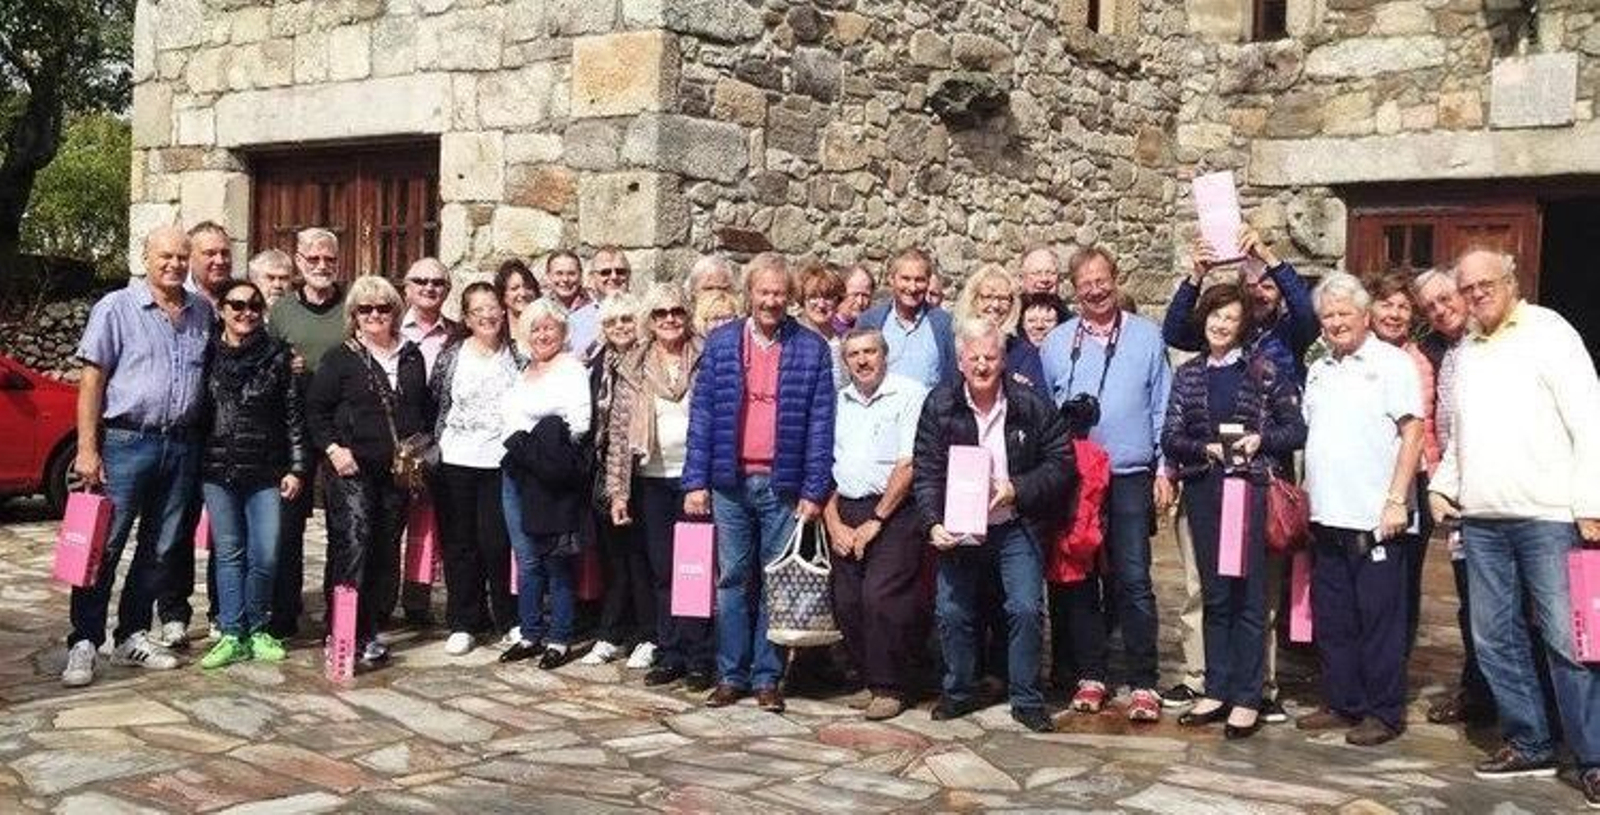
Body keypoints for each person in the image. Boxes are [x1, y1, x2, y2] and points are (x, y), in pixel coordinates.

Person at [1430, 249, 1600, 806]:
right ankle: (1530, 742)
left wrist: (1591, 501)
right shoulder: (1470, 350)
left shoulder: (1550, 333)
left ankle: (1594, 757)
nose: (1477, 294)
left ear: (1511, 281)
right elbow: (1462, 433)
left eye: (1486, 283)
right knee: (1494, 638)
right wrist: (1443, 485)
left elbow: (1590, 419)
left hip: (1547, 516)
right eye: (1467, 288)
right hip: (1483, 520)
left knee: (1567, 640)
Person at [682, 252, 835, 713]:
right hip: (730, 480)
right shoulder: (722, 343)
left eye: (779, 293)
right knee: (731, 581)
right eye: (763, 292)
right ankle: (731, 674)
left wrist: (814, 490)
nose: (771, 301)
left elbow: (821, 424)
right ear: (749, 293)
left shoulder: (811, 348)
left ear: (790, 297)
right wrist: (696, 481)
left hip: (782, 483)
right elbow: (703, 415)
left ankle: (767, 677)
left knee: (775, 582)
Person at [1161, 227, 1305, 717]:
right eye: (1215, 316)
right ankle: (1216, 688)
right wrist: (1204, 448)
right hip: (1205, 491)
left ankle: (1247, 695)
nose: (1221, 325)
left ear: (1243, 327)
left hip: (1251, 492)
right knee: (1216, 593)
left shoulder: (1264, 371)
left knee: (1248, 596)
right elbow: (1171, 436)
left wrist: (1261, 440)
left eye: (1231, 318)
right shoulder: (1189, 374)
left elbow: (1295, 429)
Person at [61, 226, 212, 687]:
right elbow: (92, 381)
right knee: (104, 546)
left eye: (182, 256)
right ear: (145, 257)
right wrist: (87, 449)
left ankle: (131, 635)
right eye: (165, 255)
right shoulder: (116, 308)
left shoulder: (201, 312)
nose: (174, 264)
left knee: (162, 547)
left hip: (181, 444)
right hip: (127, 442)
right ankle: (84, 640)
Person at [912, 317, 1074, 733]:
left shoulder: (1030, 404)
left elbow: (1061, 463)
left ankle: (1027, 698)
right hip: (959, 528)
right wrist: (931, 522)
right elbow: (926, 470)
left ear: (1003, 360)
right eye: (974, 359)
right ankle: (959, 692)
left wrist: (1017, 488)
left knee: (1025, 608)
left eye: (990, 357)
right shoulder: (939, 404)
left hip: (1014, 524)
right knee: (952, 611)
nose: (982, 365)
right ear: (960, 362)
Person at [1038, 245, 1175, 722]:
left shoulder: (1147, 336)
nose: (1095, 291)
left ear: (1116, 278)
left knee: (1133, 578)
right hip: (1078, 478)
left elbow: (1162, 406)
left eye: (1102, 281)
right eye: (1085, 285)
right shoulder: (1057, 343)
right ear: (1074, 291)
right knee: (1079, 580)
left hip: (1131, 474)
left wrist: (1165, 469)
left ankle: (1143, 681)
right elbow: (1046, 414)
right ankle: (1091, 674)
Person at [1296, 271, 1423, 747]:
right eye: (1328, 315)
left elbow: (1412, 432)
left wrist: (1396, 499)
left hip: (1377, 518)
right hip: (1327, 514)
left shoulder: (1393, 364)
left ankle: (1384, 712)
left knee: (1379, 620)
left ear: (1365, 315)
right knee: (1335, 618)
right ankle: (1343, 701)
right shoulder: (1319, 368)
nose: (1335, 322)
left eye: (1344, 313)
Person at [306, 275, 433, 668]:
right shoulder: (340, 358)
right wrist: (333, 449)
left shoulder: (411, 356)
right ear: (354, 315)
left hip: (396, 472)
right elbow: (316, 411)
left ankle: (370, 627)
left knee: (383, 550)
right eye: (365, 309)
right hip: (351, 469)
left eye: (383, 308)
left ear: (395, 311)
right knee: (353, 545)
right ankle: (342, 631)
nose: (375, 315)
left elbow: (420, 410)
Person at [606, 284, 714, 690]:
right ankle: (670, 652)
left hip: (694, 480)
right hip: (651, 480)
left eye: (677, 312)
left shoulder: (705, 358)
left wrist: (704, 479)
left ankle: (699, 655)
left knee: (695, 569)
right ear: (649, 321)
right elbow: (619, 434)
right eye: (660, 313)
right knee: (662, 571)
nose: (670, 319)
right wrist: (618, 492)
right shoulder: (633, 366)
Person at [196, 280, 308, 669]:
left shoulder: (278, 356)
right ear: (222, 309)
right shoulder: (207, 354)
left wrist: (297, 467)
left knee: (266, 553)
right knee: (229, 553)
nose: (246, 313)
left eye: (255, 306)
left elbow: (293, 415)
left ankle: (258, 627)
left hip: (266, 469)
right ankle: (232, 632)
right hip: (219, 468)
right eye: (238, 305)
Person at [824, 328, 930, 720]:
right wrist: (834, 522)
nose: (862, 360)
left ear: (885, 355)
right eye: (854, 354)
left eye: (870, 352)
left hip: (894, 510)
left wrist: (877, 519)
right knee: (847, 600)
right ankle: (870, 678)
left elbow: (909, 464)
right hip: (846, 508)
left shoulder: (909, 394)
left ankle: (891, 687)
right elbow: (828, 467)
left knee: (882, 596)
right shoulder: (839, 401)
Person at [1413, 267, 1494, 726]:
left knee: (1513, 606)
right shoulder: (1437, 351)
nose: (1441, 310)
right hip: (1462, 498)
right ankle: (1478, 693)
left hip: (1502, 493)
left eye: (1446, 298)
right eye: (1431, 307)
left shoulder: (1494, 343)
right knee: (1472, 601)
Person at [499, 299, 593, 668]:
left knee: (556, 560)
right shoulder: (525, 370)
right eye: (535, 329)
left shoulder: (571, 369)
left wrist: (532, 444)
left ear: (562, 331)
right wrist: (522, 444)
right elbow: (509, 420)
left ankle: (560, 638)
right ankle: (530, 632)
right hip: (517, 473)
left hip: (549, 476)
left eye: (549, 327)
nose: (542, 335)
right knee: (526, 558)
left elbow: (579, 424)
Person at [157, 220, 237, 648]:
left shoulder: (243, 299)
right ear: (193, 259)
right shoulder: (180, 304)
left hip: (229, 439)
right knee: (177, 527)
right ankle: (173, 613)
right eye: (209, 253)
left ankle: (224, 612)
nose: (219, 260)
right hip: (187, 436)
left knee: (228, 532)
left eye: (225, 252)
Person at [430, 282, 522, 656]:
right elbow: (436, 400)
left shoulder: (517, 355)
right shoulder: (452, 355)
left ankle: (508, 617)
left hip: (501, 463)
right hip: (456, 461)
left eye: (492, 307)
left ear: (503, 311)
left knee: (498, 543)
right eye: (477, 310)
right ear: (466, 318)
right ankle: (464, 621)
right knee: (460, 544)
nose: (487, 315)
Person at [266, 227, 348, 641]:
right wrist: (284, 366)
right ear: (298, 261)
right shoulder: (281, 312)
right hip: (294, 431)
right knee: (287, 524)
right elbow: (266, 364)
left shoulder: (352, 306)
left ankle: (341, 615)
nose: (321, 266)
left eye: (328, 259)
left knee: (344, 525)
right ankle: (284, 612)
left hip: (340, 430)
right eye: (313, 259)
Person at [1367, 270, 1438, 655]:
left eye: (1403, 307)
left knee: (1403, 574)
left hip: (1409, 480)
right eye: (1386, 304)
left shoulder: (1415, 362)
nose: (1394, 314)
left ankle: (1395, 659)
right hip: (1363, 478)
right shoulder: (1346, 353)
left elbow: (1417, 430)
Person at [583, 293, 656, 669]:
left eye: (627, 319)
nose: (620, 327)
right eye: (611, 322)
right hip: (608, 471)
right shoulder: (601, 361)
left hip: (641, 471)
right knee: (615, 558)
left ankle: (647, 634)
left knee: (641, 558)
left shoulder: (646, 360)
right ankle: (613, 631)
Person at [395, 257, 459, 627]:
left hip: (442, 438)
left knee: (435, 522)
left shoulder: (457, 334)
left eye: (437, 282)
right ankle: (382, 601)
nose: (429, 288)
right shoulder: (391, 327)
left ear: (447, 290)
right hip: (398, 439)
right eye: (420, 281)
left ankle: (422, 602)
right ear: (407, 287)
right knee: (394, 524)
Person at [1171, 225, 1317, 384]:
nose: (1258, 293)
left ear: (1281, 293)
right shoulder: (1229, 329)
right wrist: (1196, 276)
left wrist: (1268, 257)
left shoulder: (1290, 331)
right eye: (1251, 286)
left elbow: (1307, 310)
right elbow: (1175, 334)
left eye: (1267, 287)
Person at [856, 248, 957, 389]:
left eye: (919, 280)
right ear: (891, 279)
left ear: (928, 282)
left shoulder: (944, 324)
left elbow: (952, 378)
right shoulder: (870, 321)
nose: (912, 287)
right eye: (906, 279)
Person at [795, 259, 849, 391]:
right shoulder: (791, 340)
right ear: (803, 300)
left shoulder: (845, 342)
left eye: (828, 297)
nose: (821, 304)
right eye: (813, 297)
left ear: (837, 301)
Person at [541, 250, 600, 358]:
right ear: (548, 276)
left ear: (580, 275)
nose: (565, 279)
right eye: (559, 273)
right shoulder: (539, 310)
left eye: (571, 273)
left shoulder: (598, 310)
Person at [495, 258, 542, 355]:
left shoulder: (548, 323)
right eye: (514, 288)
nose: (523, 293)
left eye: (528, 287)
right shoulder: (495, 330)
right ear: (503, 295)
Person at [836, 263, 875, 333]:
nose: (860, 302)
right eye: (855, 295)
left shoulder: (873, 328)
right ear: (841, 293)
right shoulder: (827, 329)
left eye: (865, 295)